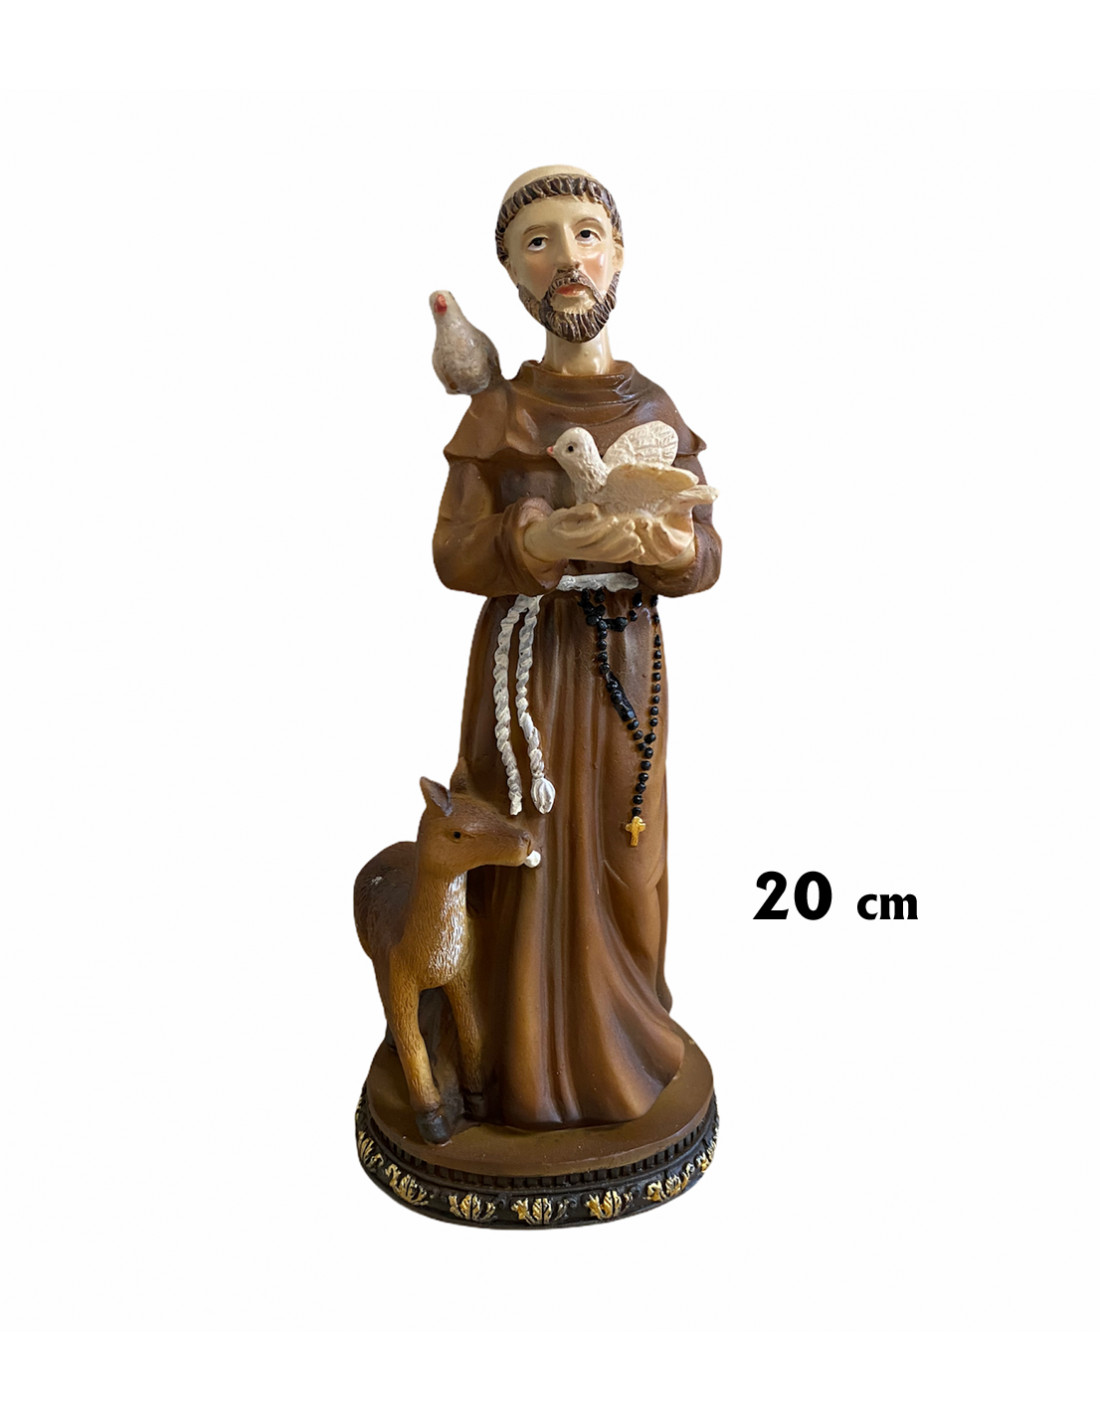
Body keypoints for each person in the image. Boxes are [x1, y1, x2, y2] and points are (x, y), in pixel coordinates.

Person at [431, 167, 721, 1129]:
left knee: (627, 862)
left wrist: (671, 550)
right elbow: (453, 551)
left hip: (625, 673)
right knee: (519, 856)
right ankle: (505, 1061)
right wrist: (540, 538)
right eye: (539, 241)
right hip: (522, 673)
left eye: (586, 234)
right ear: (512, 272)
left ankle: (623, 1042)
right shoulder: (501, 412)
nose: (568, 259)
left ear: (619, 254)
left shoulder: (653, 407)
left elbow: (706, 551)